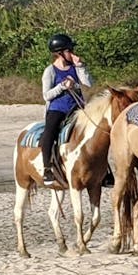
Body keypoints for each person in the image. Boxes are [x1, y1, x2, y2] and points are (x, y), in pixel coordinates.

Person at [40, 33, 92, 189]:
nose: (73, 53)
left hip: (78, 108)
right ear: (59, 53)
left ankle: (104, 170)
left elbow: (88, 84)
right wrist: (62, 86)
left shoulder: (76, 68)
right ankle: (47, 168)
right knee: (49, 133)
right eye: (70, 51)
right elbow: (46, 95)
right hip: (58, 108)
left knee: (95, 132)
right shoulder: (50, 71)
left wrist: (81, 67)